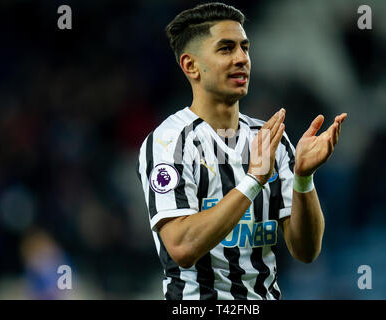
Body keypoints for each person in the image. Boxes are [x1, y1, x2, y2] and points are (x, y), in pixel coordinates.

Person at [137, 2, 347, 300]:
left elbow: (306, 251)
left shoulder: (272, 140)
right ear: (190, 65)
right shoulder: (169, 143)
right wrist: (253, 181)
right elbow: (182, 247)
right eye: (226, 49)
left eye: (244, 48)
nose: (241, 59)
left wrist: (304, 178)